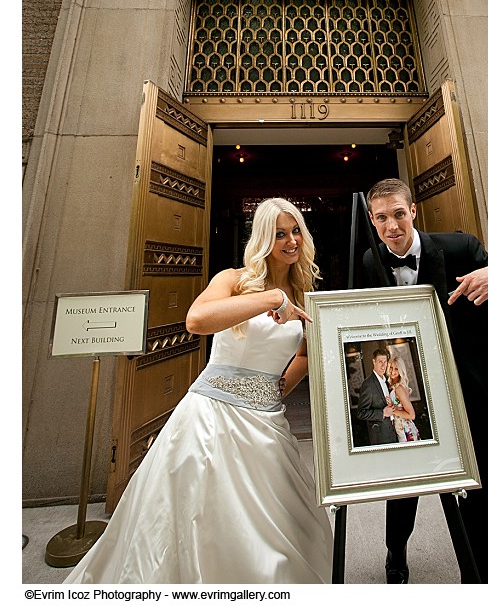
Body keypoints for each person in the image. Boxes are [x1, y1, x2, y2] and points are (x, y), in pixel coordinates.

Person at [64, 197, 334, 584]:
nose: (290, 241)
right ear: (262, 238)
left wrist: (278, 387)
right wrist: (271, 299)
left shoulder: (306, 295)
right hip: (211, 416)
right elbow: (197, 320)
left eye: (295, 232)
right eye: (279, 234)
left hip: (266, 422)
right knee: (201, 518)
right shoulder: (233, 280)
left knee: (280, 524)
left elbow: (305, 353)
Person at [362, 178, 488, 585]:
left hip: (463, 393)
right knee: (402, 486)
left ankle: (482, 582)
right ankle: (395, 554)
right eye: (381, 217)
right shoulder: (370, 260)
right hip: (407, 392)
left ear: (413, 211)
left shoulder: (460, 249)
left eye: (399, 213)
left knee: (472, 491)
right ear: (372, 220)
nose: (392, 225)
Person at [356, 347, 398, 445]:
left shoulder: (387, 381)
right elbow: (361, 413)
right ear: (374, 362)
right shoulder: (368, 384)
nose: (383, 366)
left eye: (385, 362)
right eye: (380, 362)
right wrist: (382, 413)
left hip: (395, 430)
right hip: (381, 436)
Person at [387, 356, 420, 443]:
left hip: (407, 433)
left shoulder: (399, 388)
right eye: (391, 367)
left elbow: (412, 415)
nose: (393, 371)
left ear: (401, 371)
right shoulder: (395, 386)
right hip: (401, 430)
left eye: (396, 369)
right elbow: (401, 407)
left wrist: (392, 411)